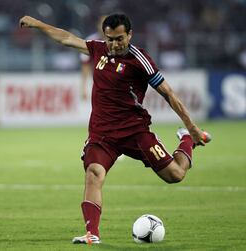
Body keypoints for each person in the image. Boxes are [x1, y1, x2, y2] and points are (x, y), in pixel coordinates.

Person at [19, 13, 211, 244]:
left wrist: (191, 129)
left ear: (129, 35)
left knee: (175, 175)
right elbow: (66, 38)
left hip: (135, 132)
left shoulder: (140, 60)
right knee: (94, 174)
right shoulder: (98, 49)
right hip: (102, 134)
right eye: (109, 39)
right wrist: (38, 24)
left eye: (119, 38)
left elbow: (168, 94)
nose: (114, 44)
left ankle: (185, 141)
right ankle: (92, 234)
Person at [80, 15, 106, 101]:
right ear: (98, 25)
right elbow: (85, 64)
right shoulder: (91, 41)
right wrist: (84, 87)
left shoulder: (119, 42)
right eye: (102, 24)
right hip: (97, 84)